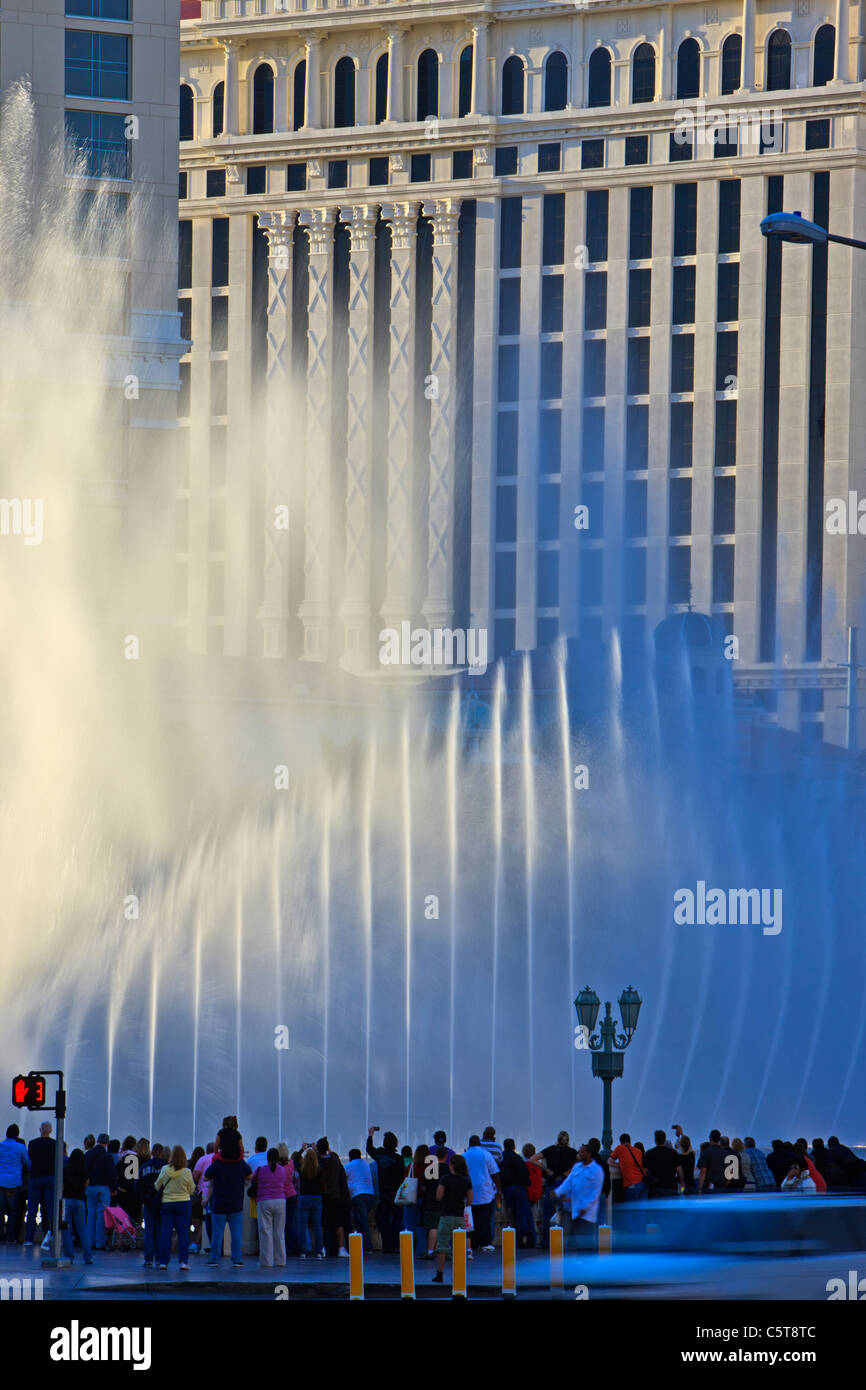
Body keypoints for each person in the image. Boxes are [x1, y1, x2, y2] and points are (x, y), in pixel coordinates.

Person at [205, 1144, 251, 1268]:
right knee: (236, 1233)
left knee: (217, 1232)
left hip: (219, 1202)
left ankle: (215, 1258)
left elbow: (206, 1176)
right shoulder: (240, 1163)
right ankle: (237, 1259)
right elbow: (249, 1175)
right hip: (236, 1202)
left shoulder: (218, 1163)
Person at [554, 1144, 604, 1250]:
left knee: (586, 1240)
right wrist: (557, 1192)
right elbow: (568, 1183)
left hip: (586, 1212)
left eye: (582, 1152)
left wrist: (585, 1207)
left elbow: (595, 1192)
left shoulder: (596, 1170)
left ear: (589, 1154)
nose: (579, 1154)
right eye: (579, 1152)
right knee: (575, 1238)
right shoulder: (577, 1167)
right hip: (574, 1209)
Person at [432, 1154, 472, 1283]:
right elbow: (470, 1200)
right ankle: (458, 1275)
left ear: (452, 1165)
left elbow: (438, 1197)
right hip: (459, 1217)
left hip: (446, 1215)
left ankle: (440, 1274)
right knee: (458, 1248)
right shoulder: (466, 1181)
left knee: (442, 1246)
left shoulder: (445, 1179)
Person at [156, 1145, 195, 1270]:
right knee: (183, 1233)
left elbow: (157, 1185)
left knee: (166, 1233)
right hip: (183, 1203)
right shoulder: (187, 1172)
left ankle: (163, 1262)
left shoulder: (164, 1169)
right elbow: (192, 1189)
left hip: (167, 1203)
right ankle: (183, 1262)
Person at [365, 1128, 404, 1254]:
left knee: (383, 1219)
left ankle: (386, 1244)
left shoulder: (380, 1155)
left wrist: (370, 1135)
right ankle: (394, 1244)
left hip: (383, 1193)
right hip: (395, 1192)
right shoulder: (398, 1158)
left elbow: (369, 1149)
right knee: (397, 1218)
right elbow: (402, 1176)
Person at [252, 1148, 292, 1267]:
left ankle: (266, 1261)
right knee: (279, 1232)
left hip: (264, 1201)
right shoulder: (282, 1170)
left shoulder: (261, 1170)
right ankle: (281, 1260)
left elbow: (253, 1179)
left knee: (265, 1231)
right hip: (280, 1200)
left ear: (267, 1158)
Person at [463, 1135, 501, 1252]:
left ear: (469, 1144)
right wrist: (499, 1189)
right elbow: (494, 1172)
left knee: (471, 1219)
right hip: (485, 1192)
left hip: (469, 1191)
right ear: (479, 1143)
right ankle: (485, 1243)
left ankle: (473, 1243)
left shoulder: (464, 1156)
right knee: (484, 1219)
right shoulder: (486, 1154)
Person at [539, 1131, 578, 1244]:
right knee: (568, 1214)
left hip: (551, 1184)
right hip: (565, 1185)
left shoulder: (550, 1150)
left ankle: (547, 1241)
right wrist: (569, 1171)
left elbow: (533, 1159)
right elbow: (581, 1161)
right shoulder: (572, 1152)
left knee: (548, 1215)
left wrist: (547, 1170)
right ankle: (567, 1242)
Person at [317, 1137, 350, 1257]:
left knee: (321, 1223)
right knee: (338, 1223)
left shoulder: (318, 1162)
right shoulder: (335, 1161)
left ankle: (322, 1247)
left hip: (322, 1195)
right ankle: (341, 1248)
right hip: (335, 1195)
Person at [25, 1121, 56, 1246]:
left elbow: (29, 1159)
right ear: (51, 1130)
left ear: (40, 1129)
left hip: (35, 1177)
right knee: (49, 1210)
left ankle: (28, 1239)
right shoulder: (55, 1144)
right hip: (50, 1178)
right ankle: (50, 1237)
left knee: (32, 1210)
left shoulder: (33, 1143)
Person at [500, 1137, 534, 1247]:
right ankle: (525, 1238)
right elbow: (525, 1175)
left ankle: (517, 1240)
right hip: (519, 1189)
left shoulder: (501, 1158)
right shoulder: (517, 1158)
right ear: (514, 1146)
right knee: (522, 1214)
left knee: (513, 1215)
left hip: (507, 1189)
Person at [84, 1133, 115, 1250]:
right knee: (101, 1214)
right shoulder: (107, 1156)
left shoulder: (88, 1154)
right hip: (103, 1188)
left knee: (91, 1214)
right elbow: (111, 1174)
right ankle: (99, 1242)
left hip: (90, 1186)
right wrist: (113, 1188)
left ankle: (89, 1240)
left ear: (97, 1141)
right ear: (107, 1143)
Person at [61, 1148, 92, 1265]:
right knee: (82, 1229)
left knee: (66, 1229)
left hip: (67, 1201)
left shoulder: (65, 1170)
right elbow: (86, 1185)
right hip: (80, 1201)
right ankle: (88, 1256)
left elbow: (62, 1186)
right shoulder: (84, 1171)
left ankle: (69, 1256)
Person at [0, 1123, 30, 1243]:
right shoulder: (20, 1148)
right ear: (17, 1135)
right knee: (13, 1211)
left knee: (0, 1211)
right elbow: (28, 1164)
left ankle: (1, 1236)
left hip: (1, 1182)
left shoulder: (0, 1146)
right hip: (14, 1183)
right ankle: (10, 1237)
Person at [345, 1147, 376, 1253]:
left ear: (350, 1157)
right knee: (361, 1220)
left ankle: (367, 1246)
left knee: (362, 1221)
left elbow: (343, 1178)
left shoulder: (349, 1166)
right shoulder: (366, 1164)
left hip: (358, 1195)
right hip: (370, 1195)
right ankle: (361, 1242)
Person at [296, 1145, 324, 1259]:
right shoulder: (319, 1169)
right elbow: (321, 1159)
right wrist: (316, 1149)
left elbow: (295, 1161)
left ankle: (303, 1251)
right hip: (316, 1198)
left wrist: (302, 1150)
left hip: (304, 1198)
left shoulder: (302, 1169)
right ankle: (318, 1251)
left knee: (303, 1226)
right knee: (317, 1226)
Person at [138, 1143, 164, 1267]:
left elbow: (137, 1185)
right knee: (160, 1230)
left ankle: (148, 1258)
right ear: (162, 1153)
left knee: (149, 1231)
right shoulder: (166, 1168)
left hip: (148, 1202)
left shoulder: (144, 1167)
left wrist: (143, 1198)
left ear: (152, 1153)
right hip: (162, 1202)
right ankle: (159, 1258)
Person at [419, 1147, 447, 1258]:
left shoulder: (430, 1168)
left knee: (432, 1227)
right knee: (444, 1227)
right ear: (445, 1155)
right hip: (445, 1202)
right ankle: (444, 1251)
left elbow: (423, 1186)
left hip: (430, 1202)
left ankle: (430, 1251)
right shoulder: (448, 1169)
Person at [644, 1130, 684, 1196]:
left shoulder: (649, 1153)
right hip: (671, 1186)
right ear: (664, 1139)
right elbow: (679, 1169)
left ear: (655, 1140)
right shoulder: (673, 1153)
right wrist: (682, 1182)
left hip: (656, 1188)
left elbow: (645, 1171)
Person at [276, 1143, 299, 1256]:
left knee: (280, 1225)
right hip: (292, 1195)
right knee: (291, 1223)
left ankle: (281, 1248)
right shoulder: (291, 1163)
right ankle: (291, 1247)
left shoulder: (275, 1166)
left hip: (280, 1196)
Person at [696, 1130, 727, 1195]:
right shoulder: (725, 1153)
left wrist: (700, 1188)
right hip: (722, 1185)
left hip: (710, 1186)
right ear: (719, 1139)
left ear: (710, 1138)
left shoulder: (706, 1152)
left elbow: (703, 1171)